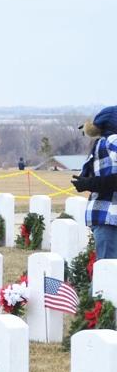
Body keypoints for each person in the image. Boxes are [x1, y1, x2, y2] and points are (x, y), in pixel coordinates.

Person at [75, 106, 117, 259]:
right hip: (110, 215)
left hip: (103, 215)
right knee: (109, 273)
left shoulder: (100, 143)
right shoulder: (113, 140)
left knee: (107, 272)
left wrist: (90, 183)